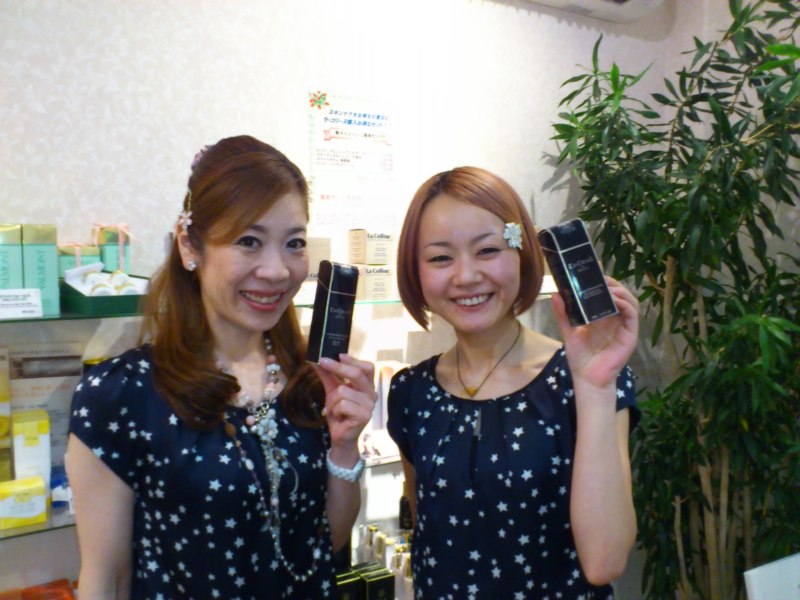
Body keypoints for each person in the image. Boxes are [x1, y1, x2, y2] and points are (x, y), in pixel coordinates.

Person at [65, 135, 377, 599]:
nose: (277, 270)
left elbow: (322, 545)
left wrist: (345, 447)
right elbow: (105, 580)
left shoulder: (309, 381)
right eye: (249, 241)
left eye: (294, 243)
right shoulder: (122, 394)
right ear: (190, 245)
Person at [387, 166, 639, 599]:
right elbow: (427, 533)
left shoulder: (581, 381)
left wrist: (595, 388)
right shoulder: (411, 391)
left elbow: (605, 563)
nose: (466, 276)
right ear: (416, 271)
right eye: (441, 258)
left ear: (522, 253)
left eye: (487, 250)